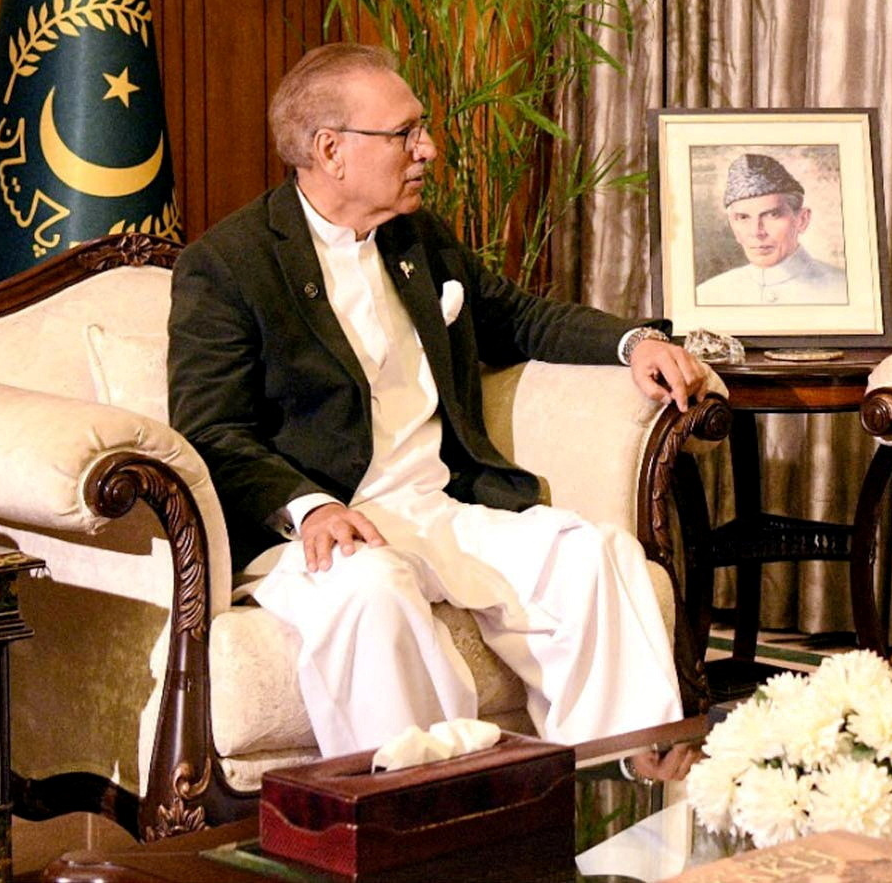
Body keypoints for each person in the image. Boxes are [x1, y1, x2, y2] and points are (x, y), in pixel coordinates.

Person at [168, 43, 711, 756]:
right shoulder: (229, 265)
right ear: (331, 149)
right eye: (405, 133)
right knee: (374, 593)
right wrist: (311, 507)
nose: (427, 148)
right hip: (317, 531)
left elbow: (518, 316)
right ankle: (426, 823)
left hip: (438, 506)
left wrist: (633, 343)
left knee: (593, 558)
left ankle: (619, 798)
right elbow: (209, 430)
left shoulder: (416, 236)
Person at [694, 152, 848, 305]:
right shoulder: (707, 295)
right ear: (733, 225)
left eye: (772, 215)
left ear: (802, 219)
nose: (756, 232)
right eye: (743, 217)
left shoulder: (843, 290)